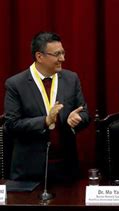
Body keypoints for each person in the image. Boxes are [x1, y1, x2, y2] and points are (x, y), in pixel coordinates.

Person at [4, 32, 90, 182]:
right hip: (29, 170)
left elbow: (85, 113)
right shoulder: (16, 84)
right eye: (57, 54)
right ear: (39, 56)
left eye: (63, 53)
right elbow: (12, 124)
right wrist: (45, 120)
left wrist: (76, 119)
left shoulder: (71, 79)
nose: (62, 59)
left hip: (65, 168)